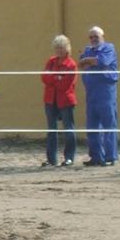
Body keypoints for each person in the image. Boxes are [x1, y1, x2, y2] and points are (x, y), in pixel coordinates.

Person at [79, 25, 119, 166]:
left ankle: (110, 157)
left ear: (102, 36)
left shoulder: (108, 48)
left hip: (105, 92)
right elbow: (82, 64)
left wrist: (89, 61)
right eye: (91, 37)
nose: (93, 39)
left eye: (96, 36)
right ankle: (96, 156)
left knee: (109, 124)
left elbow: (103, 62)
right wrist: (90, 61)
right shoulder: (88, 50)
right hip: (91, 92)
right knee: (92, 126)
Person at [41, 35, 78, 167]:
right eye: (56, 48)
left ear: (67, 48)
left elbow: (66, 85)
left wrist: (54, 79)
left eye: (61, 47)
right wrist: (58, 78)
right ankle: (51, 159)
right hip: (50, 99)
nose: (58, 50)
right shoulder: (51, 61)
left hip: (65, 100)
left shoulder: (71, 64)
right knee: (51, 130)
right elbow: (44, 78)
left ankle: (69, 157)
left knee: (69, 129)